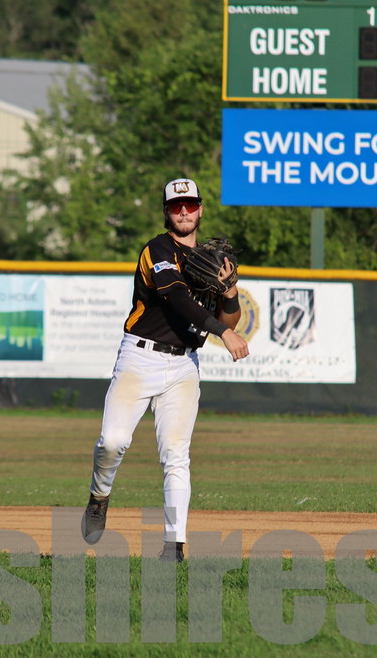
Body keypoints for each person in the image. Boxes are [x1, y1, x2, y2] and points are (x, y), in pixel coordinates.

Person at [81, 177, 249, 562]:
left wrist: (229, 293)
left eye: (190, 205)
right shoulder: (157, 250)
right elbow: (176, 298)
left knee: (176, 456)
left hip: (184, 365)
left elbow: (230, 316)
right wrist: (223, 333)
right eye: (176, 206)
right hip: (140, 358)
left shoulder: (211, 260)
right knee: (112, 442)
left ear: (200, 209)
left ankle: (174, 547)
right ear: (166, 212)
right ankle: (99, 496)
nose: (184, 211)